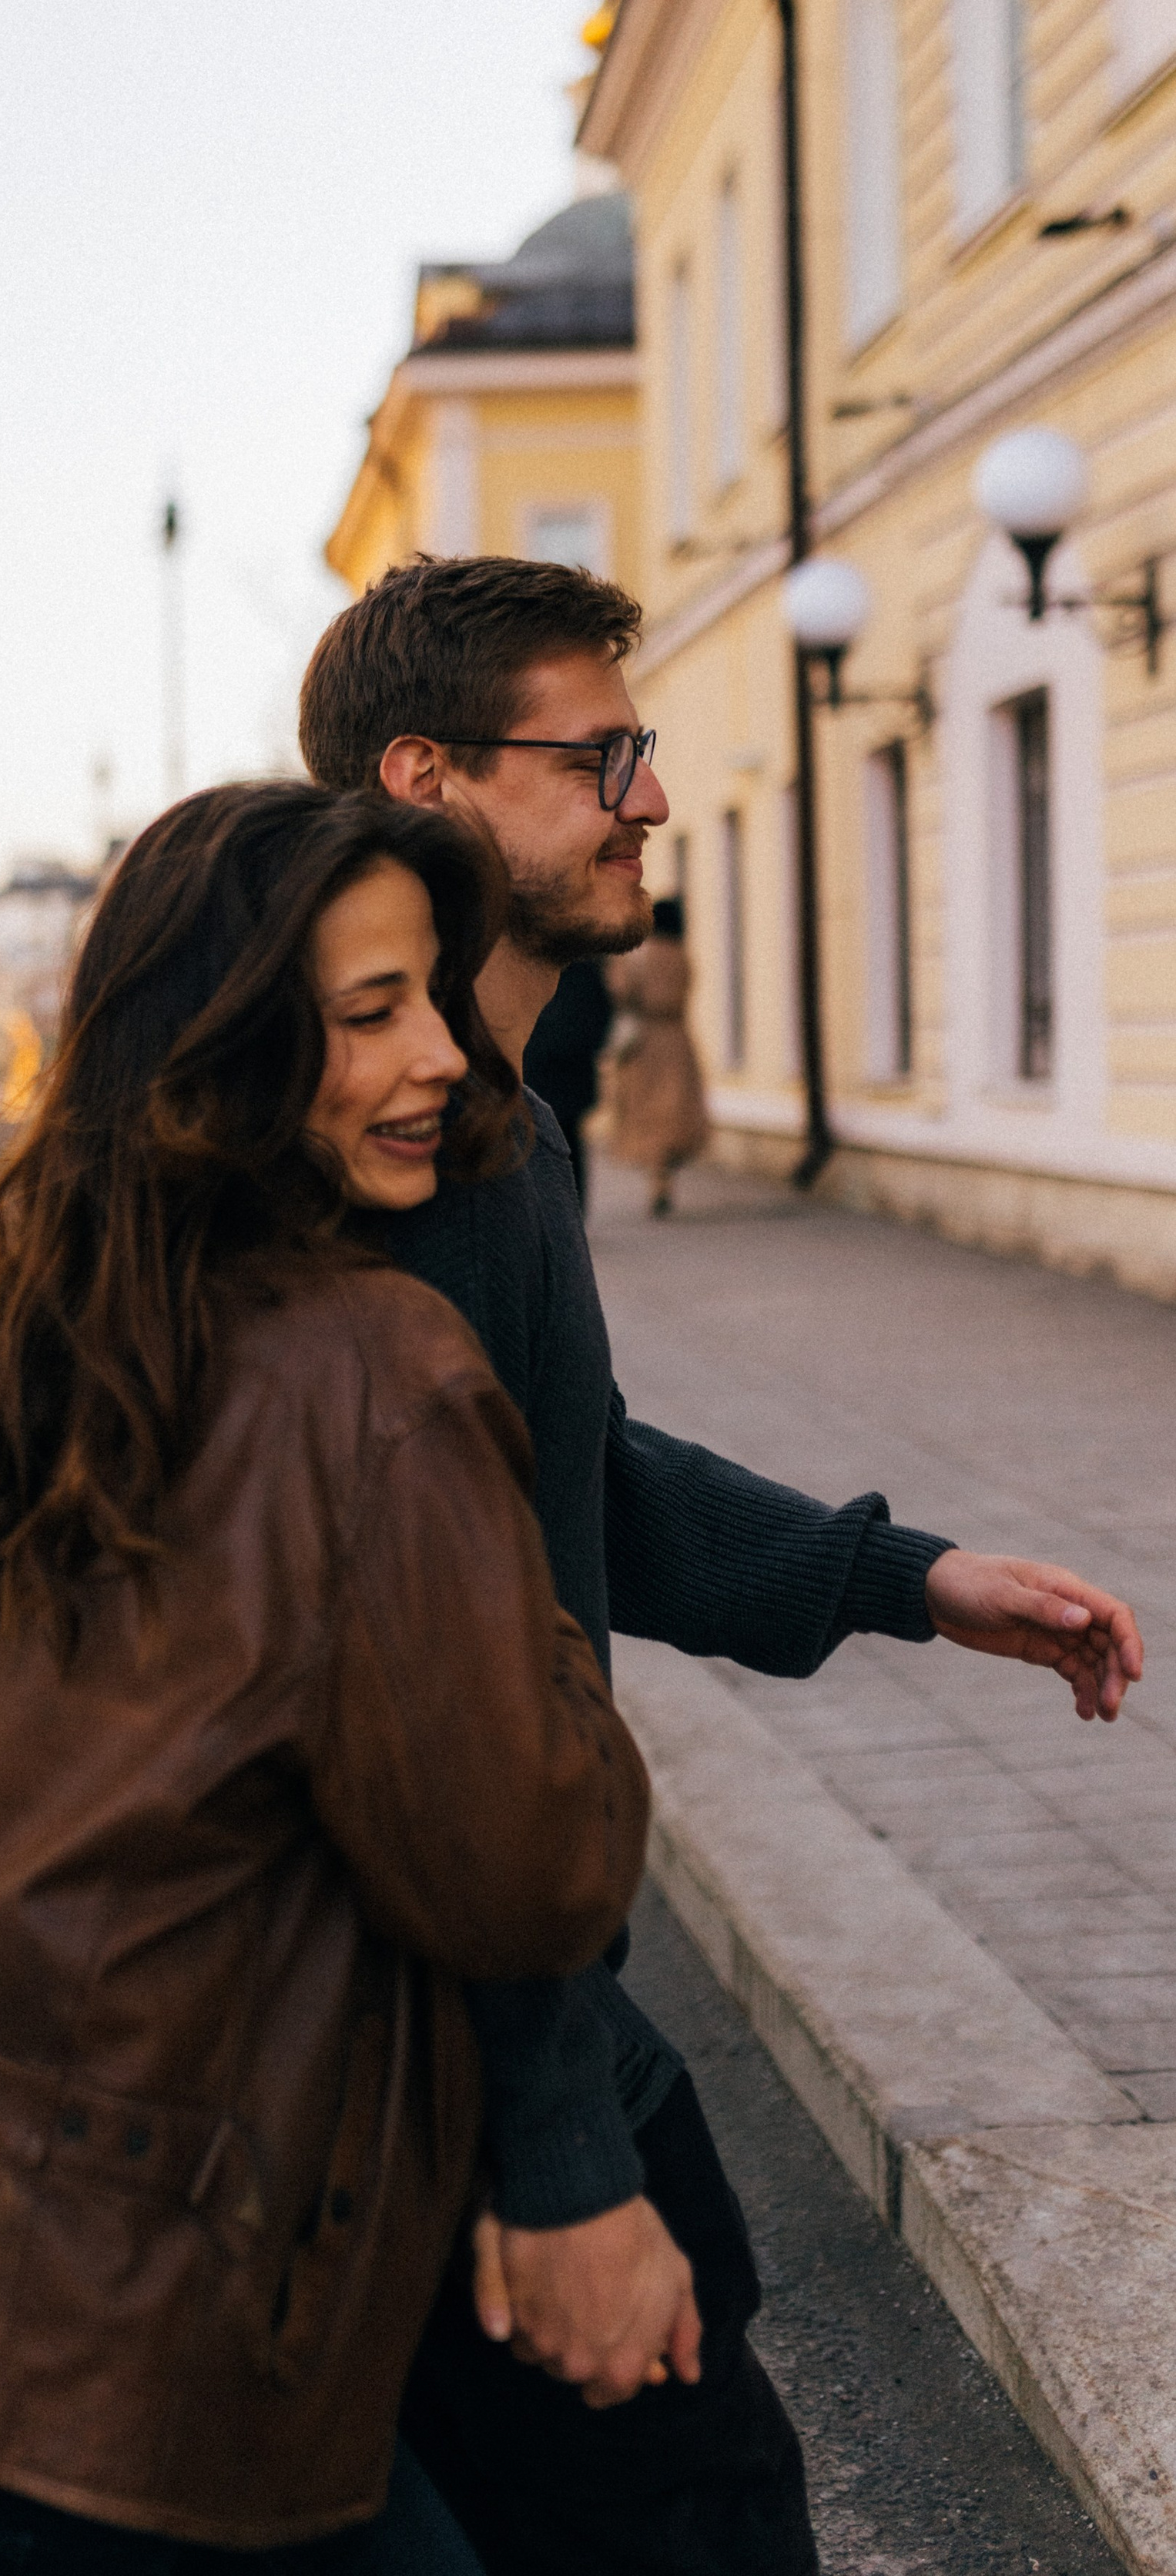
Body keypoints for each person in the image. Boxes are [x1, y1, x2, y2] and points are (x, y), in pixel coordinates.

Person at [298, 551, 1145, 2576]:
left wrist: (907, 1577)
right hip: (408, 2042)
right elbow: (428, 1716)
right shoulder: (387, 1164)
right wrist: (560, 2153)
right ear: (425, 777)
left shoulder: (493, 1130)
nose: (649, 801)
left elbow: (569, 1472)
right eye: (603, 757)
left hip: (468, 2025)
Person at [0, 780, 655, 2572]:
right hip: (149, 2377)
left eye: (429, 993)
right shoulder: (366, 1368)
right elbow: (528, 1859)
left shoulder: (69, 1326)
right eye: (366, 1015)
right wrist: (538, 1625)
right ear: (228, 1051)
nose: (440, 1056)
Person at [606, 896, 709, 1217]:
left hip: (645, 1041)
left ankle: (658, 1177)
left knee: (648, 1110)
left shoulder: (638, 957)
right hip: (676, 1038)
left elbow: (621, 993)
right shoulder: (681, 956)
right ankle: (664, 1174)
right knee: (674, 1108)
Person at [520, 955, 613, 1210]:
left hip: (560, 1068)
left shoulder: (574, 968)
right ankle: (566, 1210)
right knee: (561, 1140)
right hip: (559, 1069)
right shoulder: (581, 967)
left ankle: (568, 1210)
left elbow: (598, 1017)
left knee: (563, 1139)